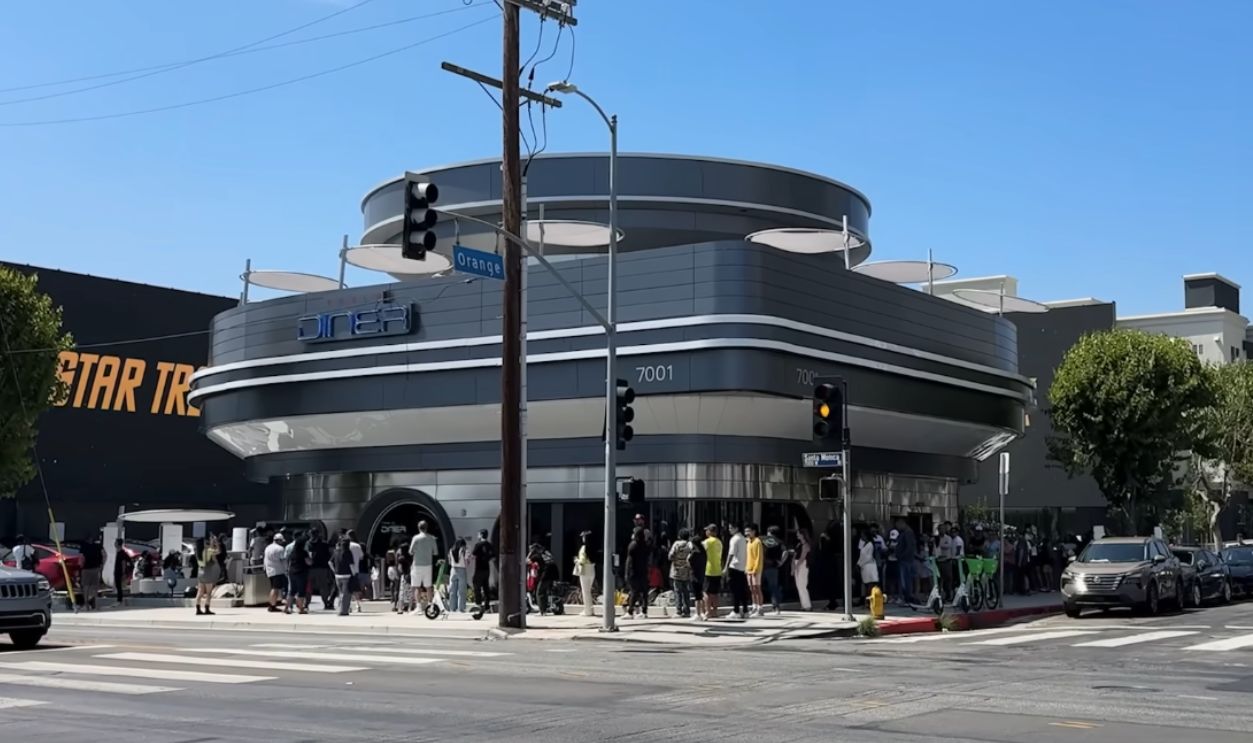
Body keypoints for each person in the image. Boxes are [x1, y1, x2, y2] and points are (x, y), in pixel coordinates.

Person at [408, 521, 440, 611]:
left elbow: (410, 551)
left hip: (417, 565)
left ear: (418, 527)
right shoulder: (431, 538)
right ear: (427, 527)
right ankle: (430, 606)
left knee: (417, 586)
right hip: (428, 564)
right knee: (428, 586)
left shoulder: (416, 538)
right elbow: (435, 552)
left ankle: (418, 607)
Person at [668, 528, 695, 618]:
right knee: (686, 591)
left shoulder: (676, 544)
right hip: (687, 570)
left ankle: (678, 611)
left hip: (676, 570)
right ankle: (687, 610)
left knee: (677, 591)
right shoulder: (690, 545)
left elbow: (670, 556)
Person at [724, 523, 749, 619]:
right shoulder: (743, 539)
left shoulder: (734, 539)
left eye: (731, 528)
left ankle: (736, 610)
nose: (729, 530)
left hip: (734, 566)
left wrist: (726, 566)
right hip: (742, 567)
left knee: (734, 590)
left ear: (736, 528)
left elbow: (731, 554)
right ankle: (745, 610)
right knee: (742, 589)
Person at [761, 525, 788, 614]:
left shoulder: (764, 540)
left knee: (757, 586)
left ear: (770, 532)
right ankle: (776, 607)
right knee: (773, 587)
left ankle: (758, 606)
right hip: (773, 566)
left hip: (762, 565)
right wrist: (781, 562)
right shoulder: (779, 542)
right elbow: (785, 552)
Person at [625, 528, 651, 618]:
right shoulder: (645, 545)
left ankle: (630, 612)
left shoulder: (633, 545)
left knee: (634, 591)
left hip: (634, 572)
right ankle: (644, 611)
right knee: (644, 592)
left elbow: (630, 561)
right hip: (643, 571)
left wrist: (627, 573)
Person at [195, 535, 222, 616]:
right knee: (209, 592)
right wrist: (215, 542)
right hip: (207, 572)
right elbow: (218, 551)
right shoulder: (208, 550)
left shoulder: (198, 552)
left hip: (200, 572)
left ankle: (198, 609)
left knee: (200, 592)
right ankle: (207, 608)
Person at [701, 524, 724, 619]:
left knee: (706, 592)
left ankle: (707, 611)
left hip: (708, 569)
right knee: (714, 592)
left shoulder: (707, 542)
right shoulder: (719, 542)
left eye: (707, 530)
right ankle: (715, 611)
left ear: (711, 532)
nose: (706, 532)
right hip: (718, 569)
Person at [332, 534, 356, 616]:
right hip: (347, 575)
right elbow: (351, 565)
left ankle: (341, 609)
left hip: (337, 575)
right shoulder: (348, 552)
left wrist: (334, 570)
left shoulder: (336, 551)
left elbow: (330, 562)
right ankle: (343, 611)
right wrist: (354, 574)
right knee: (346, 594)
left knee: (341, 593)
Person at [894, 519, 917, 605]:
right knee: (905, 579)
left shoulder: (908, 533)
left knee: (905, 580)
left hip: (905, 560)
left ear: (902, 523)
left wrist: (901, 556)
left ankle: (907, 597)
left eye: (898, 526)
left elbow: (909, 547)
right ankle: (906, 597)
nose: (898, 528)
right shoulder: (904, 533)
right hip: (905, 559)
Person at [287, 534, 312, 614]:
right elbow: (309, 562)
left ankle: (287, 607)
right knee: (301, 591)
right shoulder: (304, 553)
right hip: (301, 572)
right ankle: (301, 608)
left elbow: (289, 562)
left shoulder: (292, 552)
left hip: (292, 572)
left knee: (292, 591)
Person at [471, 529, 496, 608]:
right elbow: (493, 558)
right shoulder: (489, 545)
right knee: (486, 586)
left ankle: (478, 603)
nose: (477, 536)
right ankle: (487, 604)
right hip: (486, 569)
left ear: (481, 535)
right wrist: (487, 558)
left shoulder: (478, 545)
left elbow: (473, 555)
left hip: (479, 568)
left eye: (478, 534)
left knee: (476, 584)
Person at [574, 531, 596, 617]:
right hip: (592, 569)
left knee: (585, 591)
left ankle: (587, 611)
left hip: (585, 570)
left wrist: (576, 560)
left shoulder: (584, 548)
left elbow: (582, 561)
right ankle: (591, 609)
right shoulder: (594, 546)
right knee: (589, 591)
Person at [80, 534, 105, 610]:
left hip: (86, 569)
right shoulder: (98, 546)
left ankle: (87, 605)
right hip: (96, 568)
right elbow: (104, 555)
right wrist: (102, 565)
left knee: (86, 587)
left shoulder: (84, 547)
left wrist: (81, 566)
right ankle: (96, 604)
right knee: (95, 587)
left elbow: (81, 558)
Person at [264, 533, 287, 613]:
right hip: (278, 570)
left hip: (269, 570)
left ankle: (272, 604)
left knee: (273, 588)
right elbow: (283, 560)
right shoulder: (280, 549)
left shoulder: (267, 548)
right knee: (275, 589)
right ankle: (272, 605)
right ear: (279, 540)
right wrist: (286, 569)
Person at [745, 524, 765, 616]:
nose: (747, 533)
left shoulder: (758, 542)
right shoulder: (748, 542)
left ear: (754, 531)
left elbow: (759, 557)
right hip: (748, 568)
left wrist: (755, 569)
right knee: (751, 589)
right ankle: (754, 606)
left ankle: (760, 608)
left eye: (749, 531)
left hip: (756, 569)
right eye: (746, 531)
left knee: (757, 588)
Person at [687, 530, 707, 620]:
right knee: (701, 595)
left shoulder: (694, 553)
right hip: (702, 574)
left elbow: (688, 562)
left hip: (694, 575)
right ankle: (703, 613)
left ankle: (697, 613)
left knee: (697, 596)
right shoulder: (704, 553)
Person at [792, 530, 813, 611]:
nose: (797, 535)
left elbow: (802, 557)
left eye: (799, 534)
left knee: (802, 585)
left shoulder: (806, 545)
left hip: (803, 564)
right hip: (797, 563)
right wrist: (793, 566)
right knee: (799, 586)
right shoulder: (799, 544)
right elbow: (795, 555)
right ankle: (803, 605)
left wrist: (796, 566)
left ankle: (807, 605)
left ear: (803, 535)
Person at [857, 528, 880, 599]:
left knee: (870, 584)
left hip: (869, 567)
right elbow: (861, 556)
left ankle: (870, 600)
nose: (861, 537)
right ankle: (866, 600)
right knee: (866, 584)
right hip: (864, 567)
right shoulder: (864, 544)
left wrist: (860, 564)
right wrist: (858, 563)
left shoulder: (870, 544)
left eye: (863, 536)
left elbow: (868, 557)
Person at [448, 537, 468, 613]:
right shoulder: (464, 550)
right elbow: (467, 562)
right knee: (461, 591)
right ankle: (461, 608)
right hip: (462, 570)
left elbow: (449, 562)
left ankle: (452, 608)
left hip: (453, 570)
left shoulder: (451, 550)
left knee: (452, 590)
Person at [112, 538, 133, 605]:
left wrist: (123, 572)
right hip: (117, 570)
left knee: (119, 586)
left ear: (118, 543)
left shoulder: (121, 553)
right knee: (118, 586)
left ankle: (119, 600)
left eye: (115, 542)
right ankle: (119, 599)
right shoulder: (119, 552)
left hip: (120, 571)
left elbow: (123, 563)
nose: (114, 543)